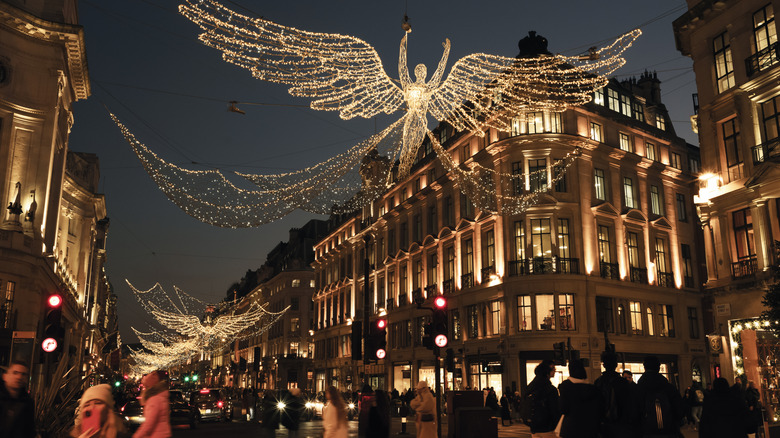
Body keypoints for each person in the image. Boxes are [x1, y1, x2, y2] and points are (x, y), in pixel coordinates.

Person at [635, 356, 684, 438]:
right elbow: (680, 409)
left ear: (645, 368)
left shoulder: (638, 389)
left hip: (646, 432)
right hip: (669, 431)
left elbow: (634, 413)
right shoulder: (669, 388)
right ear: (658, 367)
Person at [594, 351, 636, 438]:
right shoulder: (623, 383)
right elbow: (630, 405)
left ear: (604, 365)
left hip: (603, 424)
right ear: (616, 365)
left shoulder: (598, 382)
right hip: (621, 424)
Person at [557, 359, 603, 438]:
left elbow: (563, 409)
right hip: (590, 429)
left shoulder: (566, 387)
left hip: (571, 429)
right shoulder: (593, 389)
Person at [524, 360, 560, 438]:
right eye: (553, 368)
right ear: (547, 372)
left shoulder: (530, 387)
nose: (555, 370)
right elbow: (554, 410)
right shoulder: (550, 389)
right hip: (547, 428)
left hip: (534, 427)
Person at [0, 360, 35, 438]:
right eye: (15, 373)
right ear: (5, 376)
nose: (19, 377)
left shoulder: (28, 402)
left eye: (23, 374)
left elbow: (29, 430)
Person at [132, 370, 171, 438]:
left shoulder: (154, 399)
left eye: (145, 387)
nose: (143, 390)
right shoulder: (161, 396)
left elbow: (149, 423)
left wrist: (137, 436)